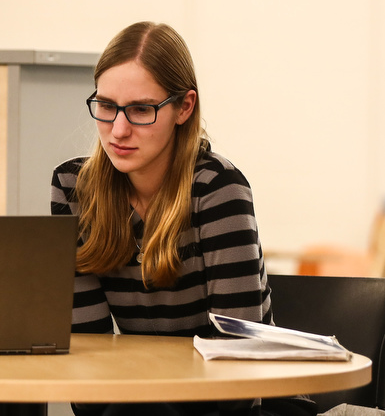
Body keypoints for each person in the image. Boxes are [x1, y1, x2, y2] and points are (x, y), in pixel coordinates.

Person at [50, 22, 313, 416]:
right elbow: (88, 358)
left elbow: (236, 364)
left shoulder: (219, 189)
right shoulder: (74, 188)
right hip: (140, 404)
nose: (118, 130)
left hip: (249, 405)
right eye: (106, 106)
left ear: (184, 108)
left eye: (141, 109)